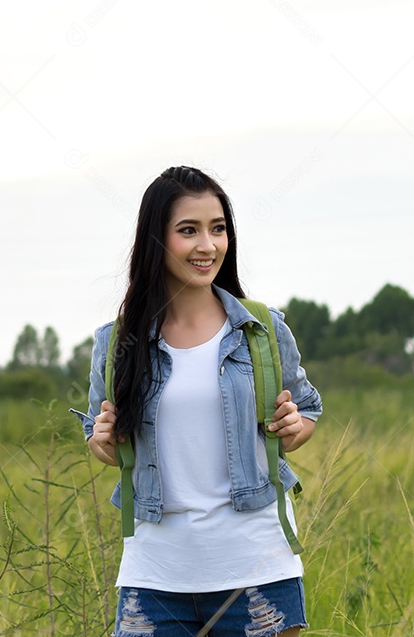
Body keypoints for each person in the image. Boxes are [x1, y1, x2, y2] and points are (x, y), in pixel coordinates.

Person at [74, 166, 323, 636]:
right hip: (154, 572)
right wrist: (104, 440)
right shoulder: (118, 342)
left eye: (218, 228)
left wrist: (295, 426)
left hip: (257, 566)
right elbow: (103, 441)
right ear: (156, 239)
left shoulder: (261, 329)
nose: (207, 245)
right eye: (188, 230)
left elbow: (305, 408)